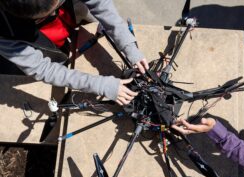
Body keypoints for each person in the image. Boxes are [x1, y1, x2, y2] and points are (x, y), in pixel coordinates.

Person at [0, 0, 149, 106]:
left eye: (58, 3)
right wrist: (99, 85)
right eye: (46, 15)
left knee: (84, 15)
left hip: (72, 10)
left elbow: (100, 4)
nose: (53, 15)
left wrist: (128, 44)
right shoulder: (5, 32)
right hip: (41, 38)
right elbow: (43, 68)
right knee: (57, 57)